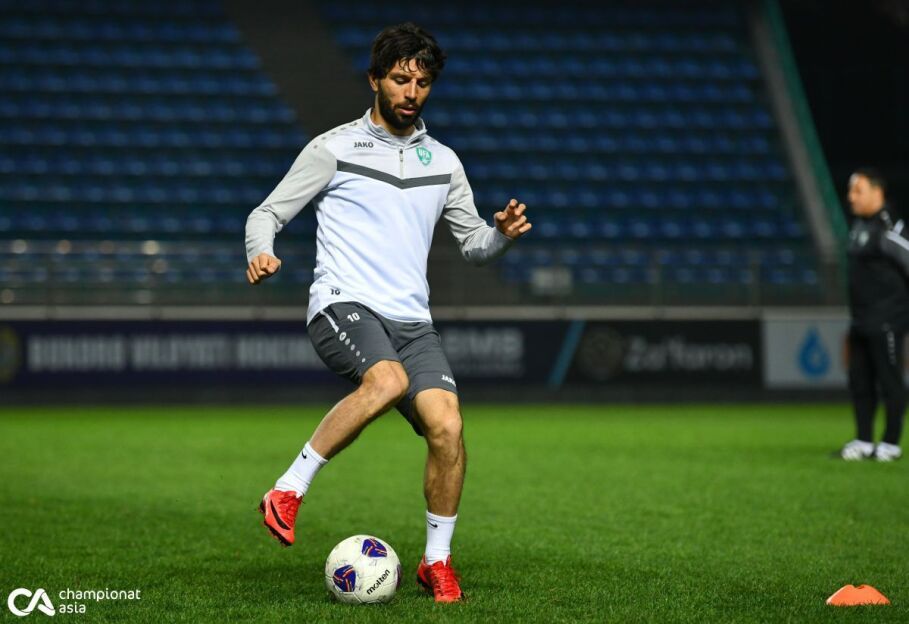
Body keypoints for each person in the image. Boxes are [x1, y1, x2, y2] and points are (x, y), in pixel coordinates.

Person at [243, 23, 531, 602]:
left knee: (448, 427)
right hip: (343, 303)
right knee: (388, 380)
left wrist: (499, 235)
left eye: (422, 83)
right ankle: (288, 490)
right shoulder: (334, 148)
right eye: (400, 79)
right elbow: (266, 213)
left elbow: (473, 245)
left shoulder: (443, 161)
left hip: (412, 322)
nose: (411, 92)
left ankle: (436, 562)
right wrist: (261, 250)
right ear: (375, 79)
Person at [839, 168, 909, 461]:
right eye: (850, 190)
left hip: (888, 320)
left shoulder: (889, 227)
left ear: (877, 192)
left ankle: (890, 443)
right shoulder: (859, 226)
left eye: (858, 190)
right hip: (861, 320)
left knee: (890, 382)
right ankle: (864, 440)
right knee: (860, 382)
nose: (851, 197)